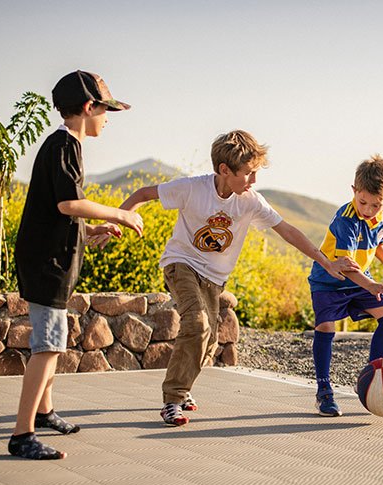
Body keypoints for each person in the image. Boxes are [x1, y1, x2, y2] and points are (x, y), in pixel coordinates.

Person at [118, 130, 359, 426]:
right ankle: (173, 400)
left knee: (208, 341)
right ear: (224, 170)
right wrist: (117, 219)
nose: (254, 181)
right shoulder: (192, 189)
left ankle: (185, 385)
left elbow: (287, 231)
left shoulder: (250, 200)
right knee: (197, 324)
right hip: (181, 264)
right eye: (248, 173)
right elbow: (144, 194)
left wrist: (326, 261)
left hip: (215, 278)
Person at [10, 71, 143, 459]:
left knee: (50, 340)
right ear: (88, 108)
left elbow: (62, 216)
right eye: (106, 110)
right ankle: (22, 435)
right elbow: (67, 204)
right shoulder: (64, 144)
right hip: (46, 265)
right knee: (48, 346)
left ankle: (45, 411)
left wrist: (92, 230)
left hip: (51, 261)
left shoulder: (66, 146)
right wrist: (120, 215)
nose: (107, 118)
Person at [307, 155, 383, 416]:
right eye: (362, 201)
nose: (367, 209)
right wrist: (373, 285)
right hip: (328, 281)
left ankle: (371, 375)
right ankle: (324, 391)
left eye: (376, 204)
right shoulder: (346, 220)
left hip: (360, 280)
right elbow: (346, 265)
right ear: (354, 191)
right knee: (325, 326)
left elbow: (377, 242)